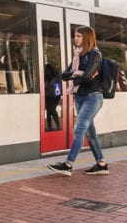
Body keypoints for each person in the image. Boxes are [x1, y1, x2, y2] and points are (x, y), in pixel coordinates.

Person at [47, 26, 109, 176]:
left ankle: (68, 165)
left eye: (78, 36)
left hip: (93, 97)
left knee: (79, 129)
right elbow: (64, 75)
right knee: (90, 133)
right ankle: (101, 164)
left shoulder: (95, 54)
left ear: (87, 37)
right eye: (75, 36)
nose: (75, 39)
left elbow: (86, 77)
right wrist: (77, 74)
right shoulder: (78, 55)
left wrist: (75, 75)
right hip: (80, 96)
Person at [43, 63, 62, 131]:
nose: (47, 71)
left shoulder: (56, 76)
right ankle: (50, 126)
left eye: (48, 70)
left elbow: (58, 86)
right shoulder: (46, 77)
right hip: (48, 95)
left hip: (55, 96)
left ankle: (58, 125)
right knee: (49, 111)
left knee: (52, 109)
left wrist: (57, 95)